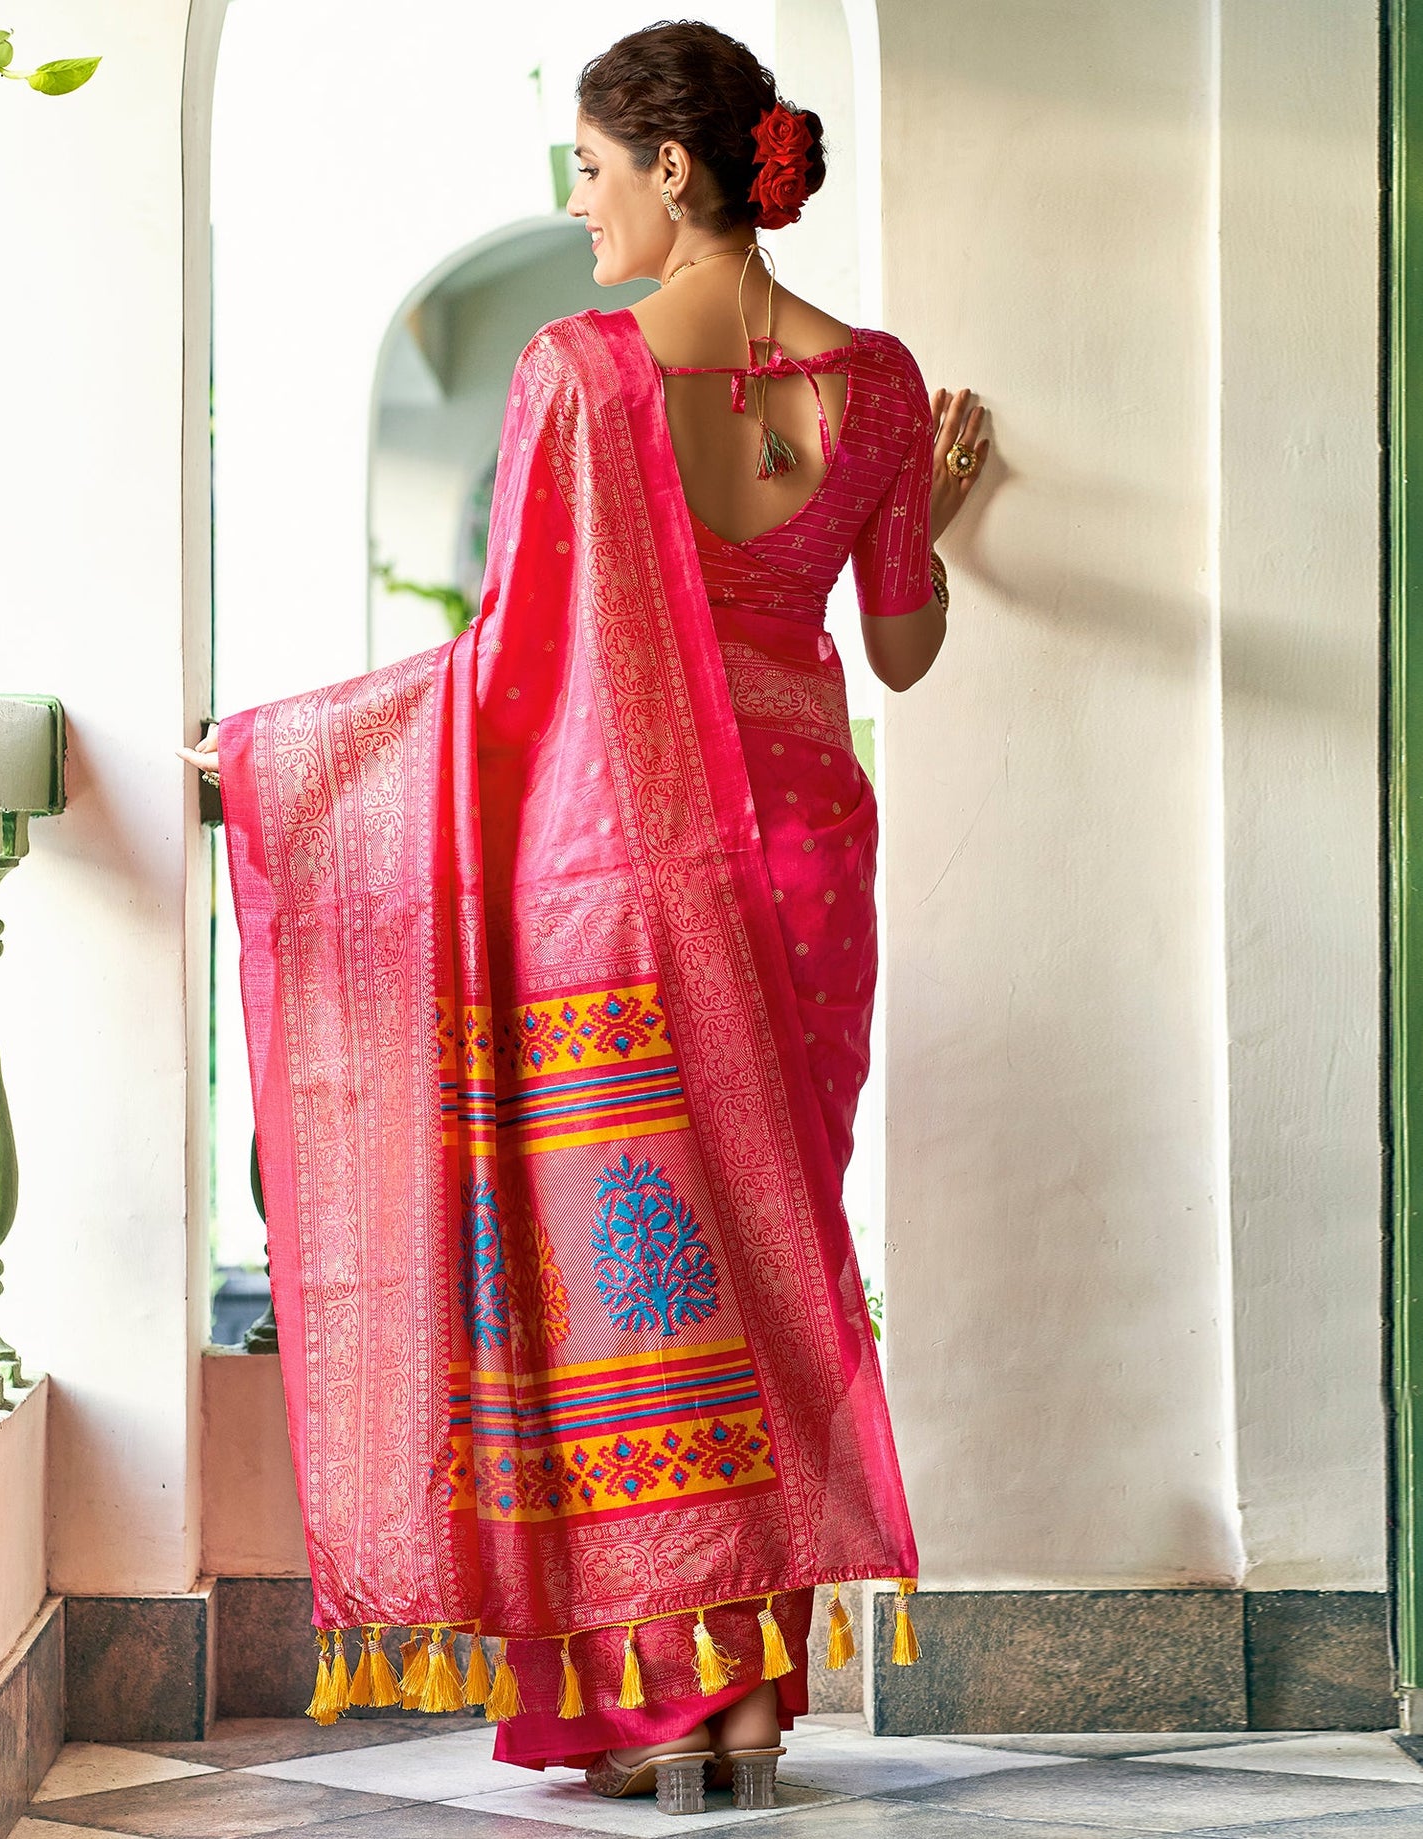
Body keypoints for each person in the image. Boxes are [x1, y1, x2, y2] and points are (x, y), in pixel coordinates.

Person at [180, 19, 988, 1819]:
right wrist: (925, 511)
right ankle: (757, 1709)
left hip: (617, 883)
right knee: (770, 1272)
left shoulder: (578, 373)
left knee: (635, 1291)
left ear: (676, 171)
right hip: (803, 867)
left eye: (594, 170)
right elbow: (904, 652)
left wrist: (282, 756)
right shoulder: (875, 385)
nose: (581, 201)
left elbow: (510, 669)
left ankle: (653, 1704)